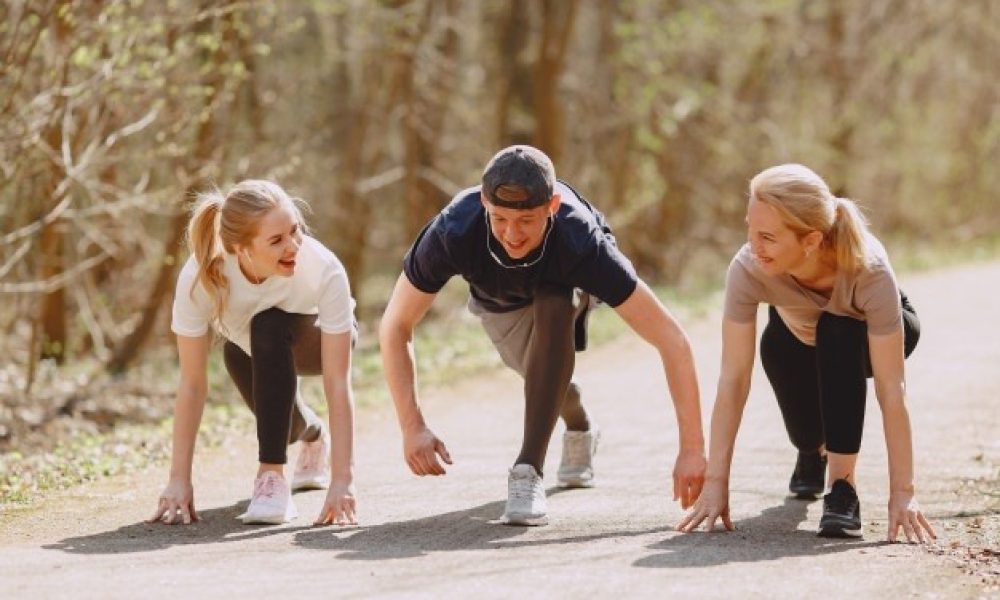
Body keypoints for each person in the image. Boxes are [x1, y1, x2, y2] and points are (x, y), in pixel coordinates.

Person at [379, 145, 706, 526]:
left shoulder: (580, 240)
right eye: (499, 218)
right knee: (547, 384)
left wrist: (693, 449)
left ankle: (526, 471)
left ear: (551, 206)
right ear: (484, 201)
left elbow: (673, 341)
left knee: (556, 298)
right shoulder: (455, 229)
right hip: (501, 304)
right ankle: (581, 423)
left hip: (566, 284)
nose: (512, 234)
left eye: (526, 220)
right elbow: (395, 325)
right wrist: (411, 426)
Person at [677, 164, 936, 542]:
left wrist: (904, 493)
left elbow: (891, 390)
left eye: (767, 236)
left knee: (838, 328)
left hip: (862, 334)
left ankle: (842, 489)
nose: (753, 245)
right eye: (749, 229)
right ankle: (812, 452)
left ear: (811, 241)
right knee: (804, 425)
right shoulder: (748, 268)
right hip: (794, 333)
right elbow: (733, 379)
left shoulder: (868, 268)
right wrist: (716, 481)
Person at [148, 180, 358, 526]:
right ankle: (312, 434)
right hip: (253, 350)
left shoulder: (322, 267)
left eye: (295, 231)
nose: (293, 246)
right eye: (276, 240)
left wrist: (342, 480)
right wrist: (178, 479)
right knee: (252, 378)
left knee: (268, 324)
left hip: (319, 341)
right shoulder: (200, 279)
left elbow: (337, 381)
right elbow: (192, 384)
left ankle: (271, 480)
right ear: (240, 249)